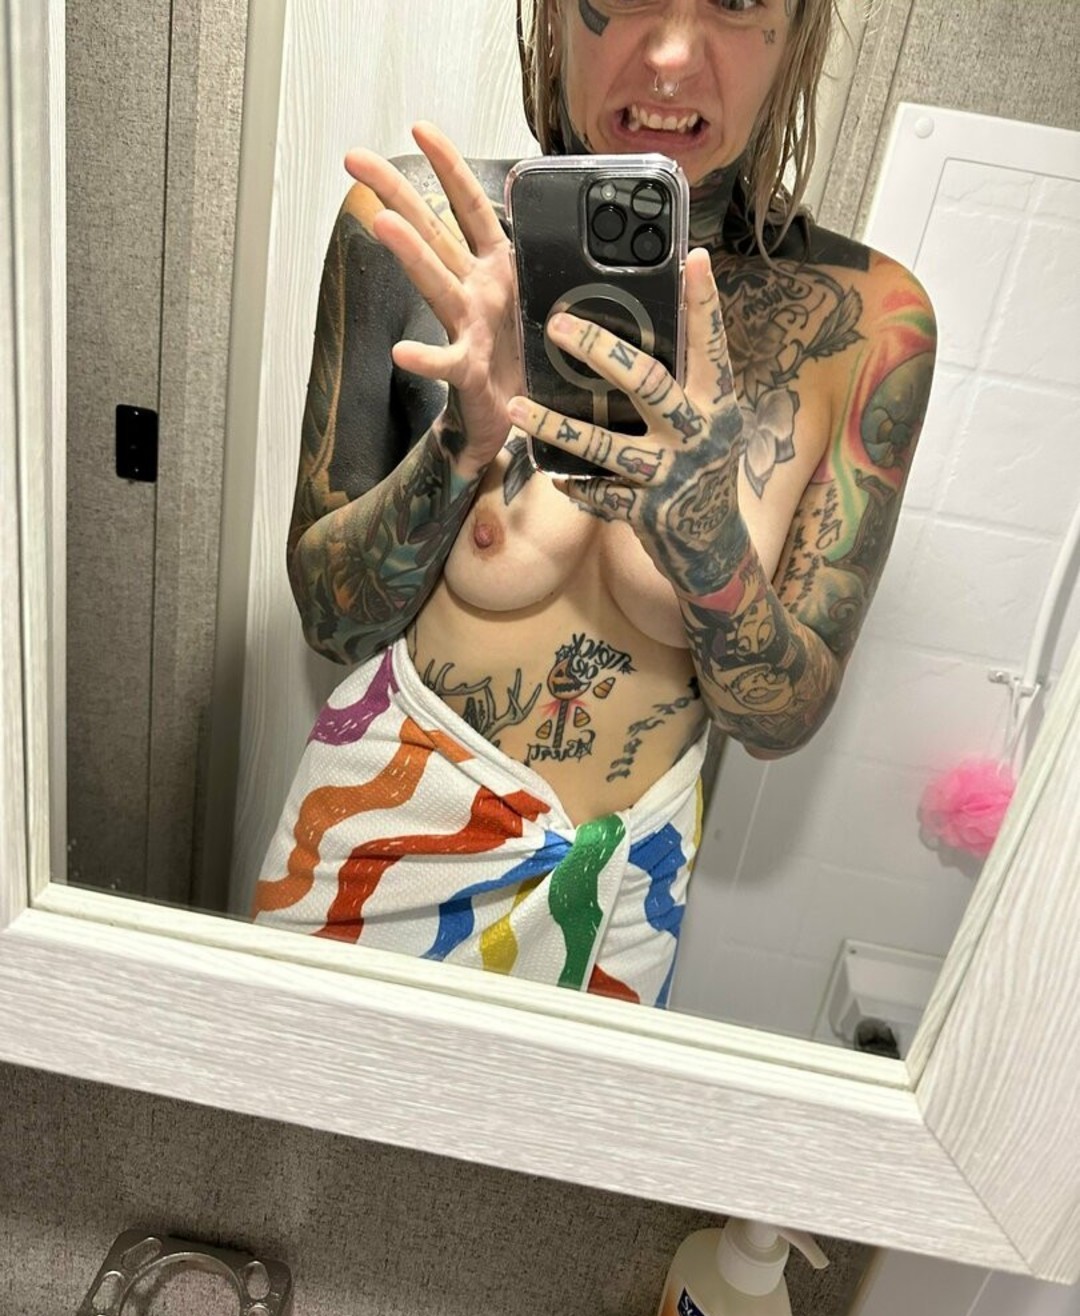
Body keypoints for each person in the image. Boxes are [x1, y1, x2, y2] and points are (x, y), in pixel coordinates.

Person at [252, 0, 937, 1007]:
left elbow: (780, 723)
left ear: (796, 30)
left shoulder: (869, 327)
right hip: (382, 829)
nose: (671, 55)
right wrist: (460, 444)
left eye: (736, 0)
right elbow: (331, 620)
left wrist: (708, 543)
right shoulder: (424, 235)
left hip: (621, 894)